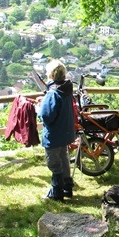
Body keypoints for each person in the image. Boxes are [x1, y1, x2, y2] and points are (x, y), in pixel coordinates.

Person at [37, 60, 76, 202]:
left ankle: (56, 193)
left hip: (54, 135)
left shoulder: (53, 93)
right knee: (64, 160)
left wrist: (39, 108)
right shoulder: (67, 89)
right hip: (65, 132)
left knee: (54, 164)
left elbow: (47, 116)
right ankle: (67, 188)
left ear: (51, 74)